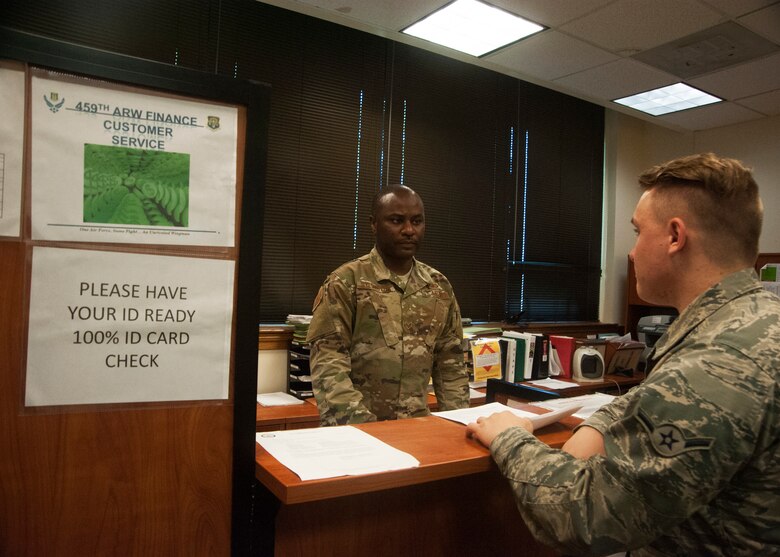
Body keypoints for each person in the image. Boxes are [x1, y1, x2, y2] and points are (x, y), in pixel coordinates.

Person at [466, 153, 780, 556]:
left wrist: (510, 438)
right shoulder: (755, 321)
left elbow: (587, 516)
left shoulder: (718, 361)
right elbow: (664, 402)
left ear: (674, 237)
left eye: (636, 232)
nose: (631, 254)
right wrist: (604, 422)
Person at [306, 184, 470, 426]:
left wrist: (458, 426)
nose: (408, 230)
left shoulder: (438, 287)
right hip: (356, 431)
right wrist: (362, 429)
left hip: (416, 430)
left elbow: (451, 366)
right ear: (373, 224)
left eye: (417, 221)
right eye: (396, 220)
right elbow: (329, 366)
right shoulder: (345, 282)